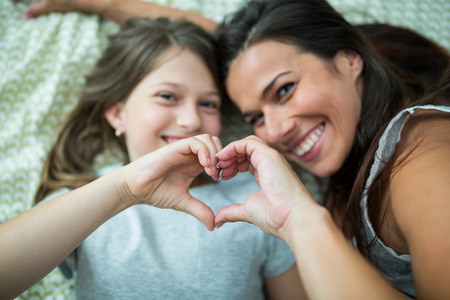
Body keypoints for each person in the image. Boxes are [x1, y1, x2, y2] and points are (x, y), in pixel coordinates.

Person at [7, 17, 303, 299]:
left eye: (208, 103)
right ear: (118, 114)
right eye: (167, 96)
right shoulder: (85, 200)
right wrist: (123, 189)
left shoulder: (255, 201)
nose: (190, 120)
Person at [210, 0, 449, 299]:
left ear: (350, 60)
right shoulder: (352, 156)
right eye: (256, 118)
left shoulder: (422, 158)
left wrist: (297, 218)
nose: (273, 132)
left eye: (284, 90)